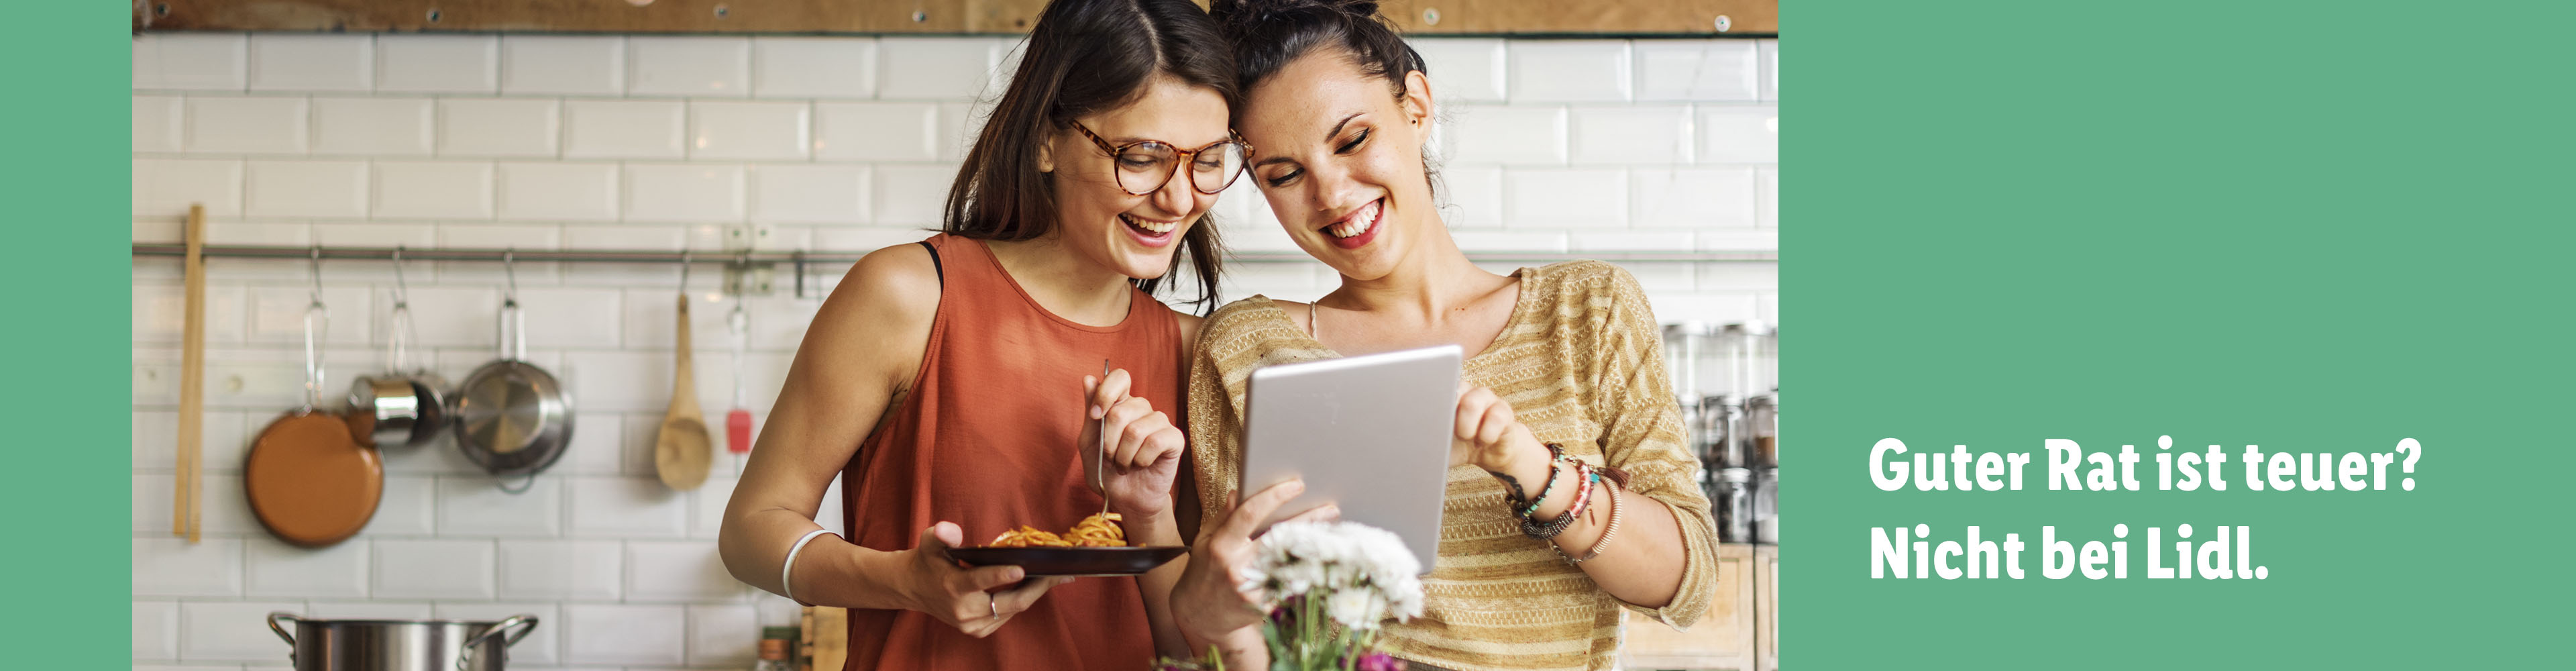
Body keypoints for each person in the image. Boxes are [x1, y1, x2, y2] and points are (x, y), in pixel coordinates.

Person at [1169, 1, 1723, 670]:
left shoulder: (1588, 312)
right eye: (1284, 174)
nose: (1332, 193)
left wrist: (1531, 467)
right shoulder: (1247, 349)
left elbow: (1687, 583)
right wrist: (1208, 608)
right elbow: (1248, 637)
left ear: (1417, 106)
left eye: (1351, 140)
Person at [714, 0, 1252, 668]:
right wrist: (905, 583)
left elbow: (1188, 649)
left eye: (1208, 161)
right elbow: (750, 532)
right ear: (1047, 140)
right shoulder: (909, 296)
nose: (1180, 198)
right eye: (1143, 157)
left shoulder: (1195, 350)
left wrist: (1151, 518)